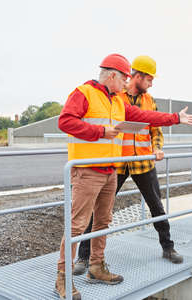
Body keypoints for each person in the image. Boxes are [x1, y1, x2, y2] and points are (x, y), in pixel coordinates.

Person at [55, 53, 192, 300]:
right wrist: (100, 131)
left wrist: (175, 118)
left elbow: (146, 117)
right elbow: (65, 121)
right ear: (113, 75)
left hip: (112, 170)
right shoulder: (84, 93)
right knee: (77, 225)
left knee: (102, 222)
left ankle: (96, 267)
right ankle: (63, 279)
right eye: (124, 79)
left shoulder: (117, 101)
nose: (126, 84)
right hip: (88, 170)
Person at [73, 55, 183, 277]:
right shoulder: (114, 96)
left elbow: (155, 130)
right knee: (98, 210)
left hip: (143, 163)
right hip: (119, 164)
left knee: (156, 207)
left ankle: (168, 247)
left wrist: (157, 148)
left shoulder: (149, 101)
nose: (151, 84)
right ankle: (83, 257)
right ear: (138, 76)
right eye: (149, 79)